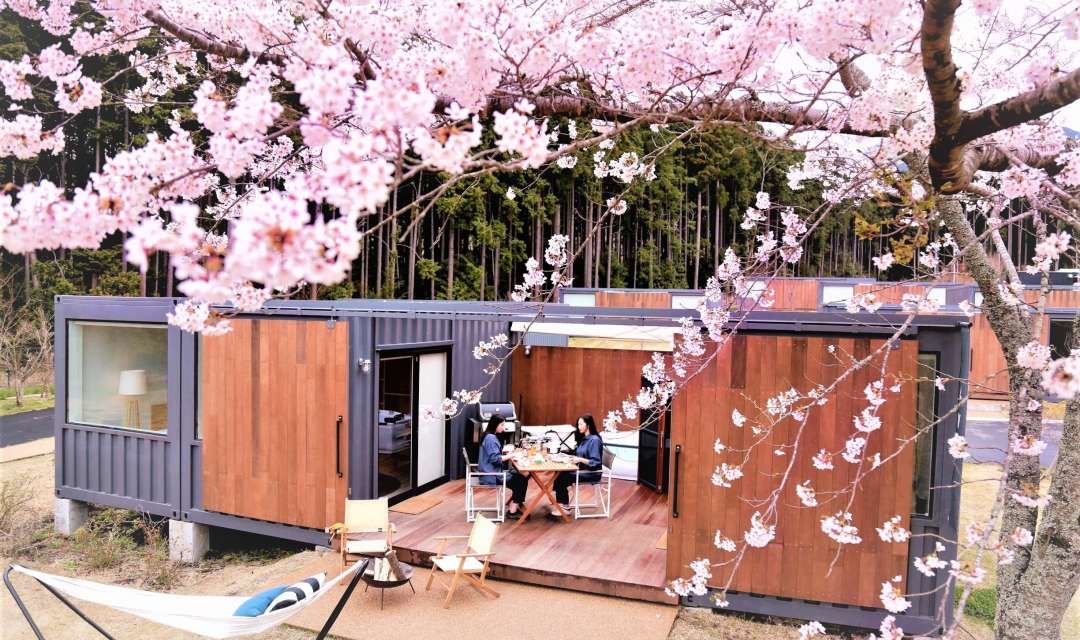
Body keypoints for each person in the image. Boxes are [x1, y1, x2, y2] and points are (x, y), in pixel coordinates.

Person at [551, 414, 603, 517]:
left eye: (581, 424)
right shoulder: (585, 438)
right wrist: (567, 456)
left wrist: (579, 459)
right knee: (559, 473)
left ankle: (565, 507)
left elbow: (595, 462)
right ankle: (561, 503)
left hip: (591, 473)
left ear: (588, 425)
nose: (578, 426)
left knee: (561, 477)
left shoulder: (594, 440)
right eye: (578, 424)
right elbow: (579, 453)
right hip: (582, 469)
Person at [477, 414, 529, 518]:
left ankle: (514, 504)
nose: (503, 427)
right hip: (492, 475)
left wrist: (505, 452)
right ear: (495, 425)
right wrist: (511, 455)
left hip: (490, 472)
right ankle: (512, 510)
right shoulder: (491, 438)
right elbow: (495, 459)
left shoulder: (487, 435)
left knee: (518, 475)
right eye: (501, 424)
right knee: (521, 479)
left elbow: (492, 454)